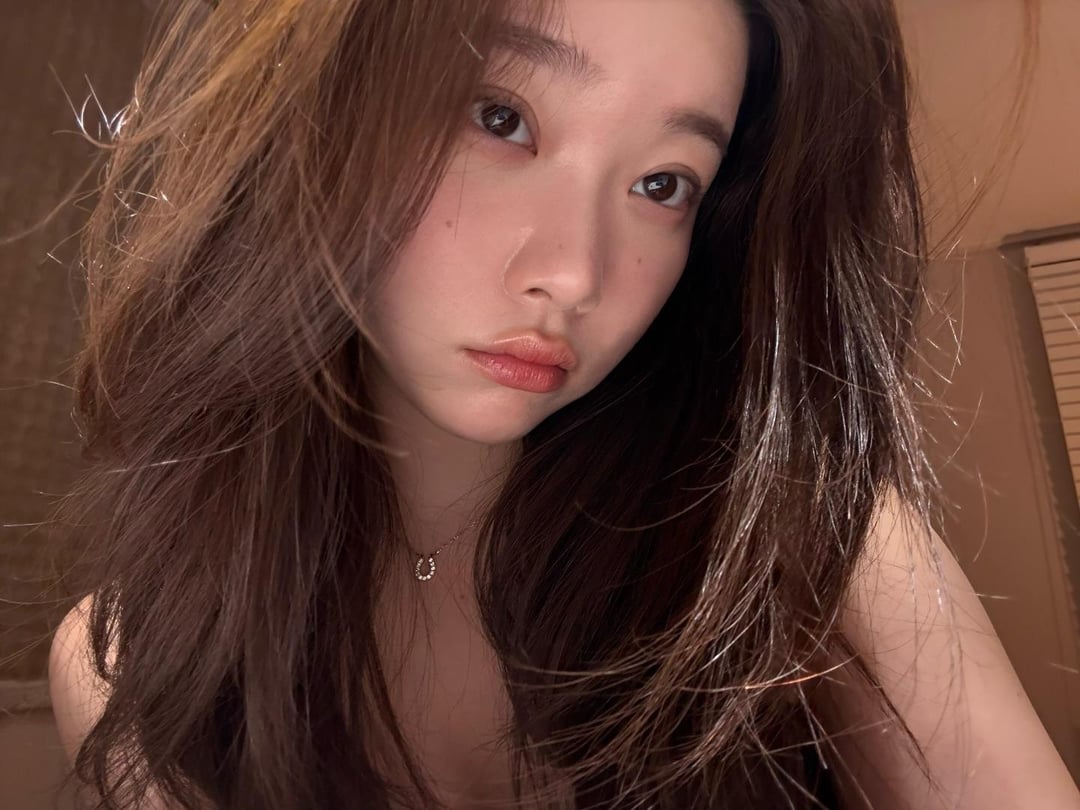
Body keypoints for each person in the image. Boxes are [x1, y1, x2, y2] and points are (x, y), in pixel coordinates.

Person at [45, 0, 1079, 807]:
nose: (577, 273)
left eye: (664, 184)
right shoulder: (139, 662)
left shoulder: (809, 552)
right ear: (315, 113)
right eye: (502, 119)